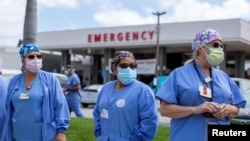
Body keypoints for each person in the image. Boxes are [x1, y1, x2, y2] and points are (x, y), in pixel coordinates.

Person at [156, 28, 246, 141]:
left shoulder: (224, 77)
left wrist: (227, 109)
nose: (220, 49)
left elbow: (236, 110)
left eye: (221, 46)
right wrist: (195, 109)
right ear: (199, 49)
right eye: (216, 45)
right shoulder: (179, 75)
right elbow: (165, 110)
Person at [0, 43, 70, 141]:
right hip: (18, 134)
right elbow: (8, 108)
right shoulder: (14, 81)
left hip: (42, 135)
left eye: (39, 56)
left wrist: (61, 132)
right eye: (31, 56)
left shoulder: (50, 80)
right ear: (23, 61)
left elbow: (60, 106)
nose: (36, 59)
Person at [93, 51, 159, 141]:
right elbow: (97, 112)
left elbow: (149, 122)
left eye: (132, 66)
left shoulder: (143, 91)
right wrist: (99, 132)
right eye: (124, 65)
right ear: (115, 68)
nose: (129, 69)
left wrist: (135, 139)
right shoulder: (106, 88)